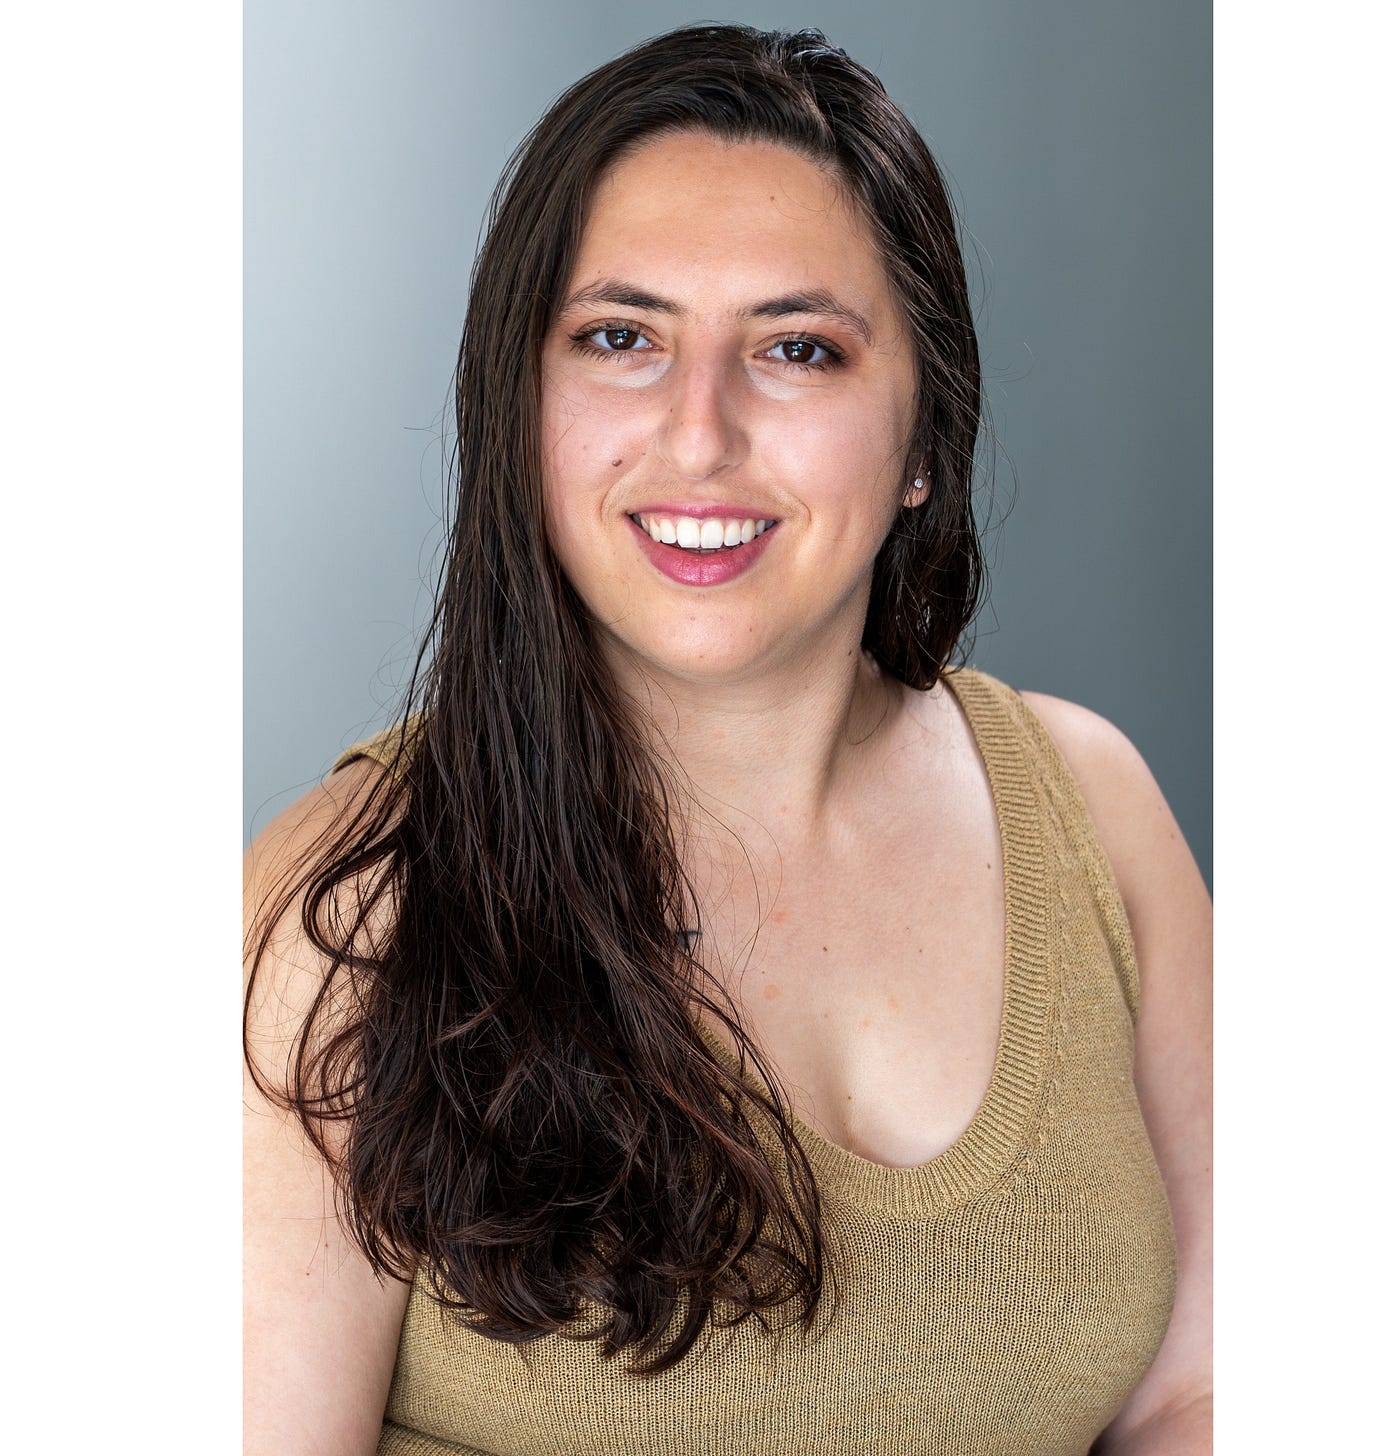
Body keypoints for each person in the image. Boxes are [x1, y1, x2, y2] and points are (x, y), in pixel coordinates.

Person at [243, 23, 1211, 1456]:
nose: (700, 435)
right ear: (521, 407)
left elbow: (1212, 1392)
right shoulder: (350, 904)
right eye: (621, 340)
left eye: (798, 349)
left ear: (925, 442)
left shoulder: (1094, 811)